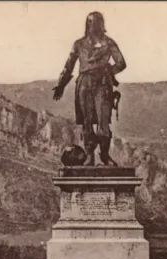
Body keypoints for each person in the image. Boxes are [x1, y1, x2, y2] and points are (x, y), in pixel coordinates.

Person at [53, 11, 127, 166]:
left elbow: (121, 63)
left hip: (102, 85)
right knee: (87, 122)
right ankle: (89, 156)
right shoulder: (78, 44)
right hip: (84, 84)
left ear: (102, 24)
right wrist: (61, 85)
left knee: (103, 122)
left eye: (97, 22)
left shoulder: (108, 43)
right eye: (91, 22)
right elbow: (68, 67)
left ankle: (105, 156)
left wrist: (108, 72)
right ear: (87, 24)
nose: (94, 25)